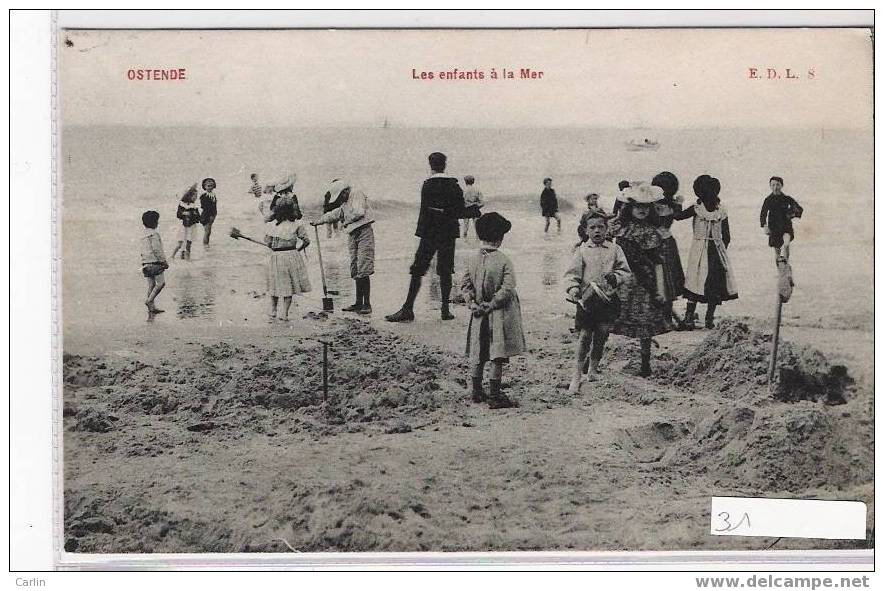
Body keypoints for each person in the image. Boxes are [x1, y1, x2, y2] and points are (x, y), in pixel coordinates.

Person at [386, 152, 465, 322]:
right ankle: (445, 310)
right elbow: (459, 210)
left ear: (430, 165)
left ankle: (408, 308)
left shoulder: (427, 185)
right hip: (448, 232)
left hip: (429, 232)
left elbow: (424, 212)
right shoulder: (454, 185)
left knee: (418, 269)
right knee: (445, 270)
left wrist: (422, 229)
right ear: (445, 164)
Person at [461, 212, 525, 409]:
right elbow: (508, 288)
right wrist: (493, 303)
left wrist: (471, 302)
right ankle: (495, 395)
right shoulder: (504, 260)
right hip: (497, 315)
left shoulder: (471, 258)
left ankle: (476, 391)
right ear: (500, 237)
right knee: (497, 355)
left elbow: (464, 284)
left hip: (478, 314)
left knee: (478, 354)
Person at [565, 212, 631, 394]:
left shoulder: (615, 249)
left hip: (608, 299)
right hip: (587, 300)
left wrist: (616, 277)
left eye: (601, 227)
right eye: (592, 227)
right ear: (585, 230)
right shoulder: (582, 250)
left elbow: (625, 272)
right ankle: (577, 374)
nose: (597, 231)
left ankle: (593, 369)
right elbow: (572, 274)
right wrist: (573, 289)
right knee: (585, 335)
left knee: (602, 334)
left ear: (607, 228)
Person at [610, 183, 672, 377]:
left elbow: (658, 262)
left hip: (646, 284)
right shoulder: (622, 230)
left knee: (646, 327)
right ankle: (590, 360)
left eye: (646, 207)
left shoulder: (654, 232)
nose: (642, 210)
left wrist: (659, 289)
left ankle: (645, 364)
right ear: (630, 208)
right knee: (606, 321)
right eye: (638, 206)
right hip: (625, 281)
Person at [673, 175, 738, 329]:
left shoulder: (696, 209)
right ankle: (709, 319)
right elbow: (727, 236)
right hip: (716, 250)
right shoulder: (721, 210)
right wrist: (721, 250)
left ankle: (689, 318)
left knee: (694, 282)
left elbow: (677, 216)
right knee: (714, 285)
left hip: (699, 249)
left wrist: (677, 202)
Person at [312, 179, 376, 314]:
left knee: (363, 266)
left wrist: (345, 221)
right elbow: (335, 213)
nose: (340, 199)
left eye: (341, 195)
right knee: (355, 267)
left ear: (345, 190)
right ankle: (358, 303)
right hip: (352, 234)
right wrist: (319, 221)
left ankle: (367, 304)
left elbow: (359, 212)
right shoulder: (345, 202)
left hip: (364, 231)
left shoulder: (356, 193)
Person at [265, 196, 311, 322]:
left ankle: (273, 310)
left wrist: (273, 244)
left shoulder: (272, 225)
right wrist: (298, 250)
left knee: (275, 285)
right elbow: (306, 241)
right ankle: (284, 314)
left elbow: (268, 243)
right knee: (288, 287)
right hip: (292, 256)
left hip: (276, 257)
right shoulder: (297, 224)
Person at [651, 171, 687, 330]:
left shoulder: (652, 205)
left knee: (660, 281)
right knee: (669, 281)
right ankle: (668, 317)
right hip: (668, 242)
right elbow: (677, 216)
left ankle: (664, 317)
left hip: (654, 244)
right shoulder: (673, 205)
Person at [760, 175, 804, 263]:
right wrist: (765, 226)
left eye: (777, 185)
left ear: (782, 186)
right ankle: (780, 271)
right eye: (773, 185)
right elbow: (763, 214)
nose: (775, 187)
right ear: (770, 186)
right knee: (777, 252)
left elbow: (799, 209)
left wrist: (791, 214)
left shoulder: (787, 199)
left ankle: (787, 263)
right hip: (774, 227)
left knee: (786, 244)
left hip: (786, 226)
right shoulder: (768, 200)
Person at [140, 210, 168, 318]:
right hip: (155, 262)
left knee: (151, 285)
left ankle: (151, 308)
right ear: (155, 222)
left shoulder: (143, 235)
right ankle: (149, 300)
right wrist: (163, 261)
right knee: (161, 283)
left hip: (145, 263)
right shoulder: (154, 234)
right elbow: (157, 250)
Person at [170, 183, 200, 260]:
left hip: (191, 226)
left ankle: (187, 258)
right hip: (183, 226)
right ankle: (172, 256)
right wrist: (184, 213)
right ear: (189, 196)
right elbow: (178, 214)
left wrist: (195, 215)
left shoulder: (194, 206)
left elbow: (198, 218)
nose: (196, 197)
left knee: (189, 243)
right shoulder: (182, 204)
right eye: (194, 196)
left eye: (196, 196)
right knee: (180, 243)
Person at [199, 177, 218, 247]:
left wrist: (214, 214)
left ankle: (207, 243)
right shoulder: (204, 196)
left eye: (211, 186)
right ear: (204, 187)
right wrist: (210, 215)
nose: (210, 188)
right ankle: (205, 244)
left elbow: (214, 206)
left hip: (212, 215)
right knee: (207, 231)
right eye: (208, 186)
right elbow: (204, 207)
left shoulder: (213, 195)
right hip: (206, 215)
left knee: (209, 231)